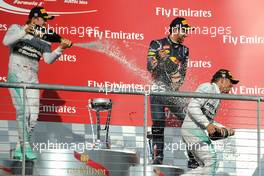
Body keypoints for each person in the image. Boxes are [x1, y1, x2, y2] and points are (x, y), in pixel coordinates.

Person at [2, 6, 72, 160]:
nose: (46, 23)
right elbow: (6, 41)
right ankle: (26, 146)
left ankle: (21, 149)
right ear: (34, 18)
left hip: (33, 79)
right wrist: (25, 31)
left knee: (33, 117)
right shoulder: (17, 28)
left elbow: (48, 60)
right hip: (16, 76)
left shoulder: (45, 39)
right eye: (44, 19)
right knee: (23, 113)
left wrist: (60, 48)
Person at [147, 17, 195, 165]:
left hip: (173, 92)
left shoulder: (185, 50)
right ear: (176, 29)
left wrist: (176, 85)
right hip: (157, 91)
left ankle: (193, 157)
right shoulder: (157, 44)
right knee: (158, 122)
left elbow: (182, 74)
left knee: (188, 120)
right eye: (185, 31)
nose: (187, 34)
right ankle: (158, 157)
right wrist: (159, 60)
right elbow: (149, 66)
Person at [181, 69, 238, 175]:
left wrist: (223, 128)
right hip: (192, 130)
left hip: (196, 131)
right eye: (230, 84)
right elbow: (192, 107)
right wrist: (207, 125)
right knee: (211, 160)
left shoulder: (217, 97)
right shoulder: (208, 87)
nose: (231, 88)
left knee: (208, 165)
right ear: (222, 80)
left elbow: (208, 120)